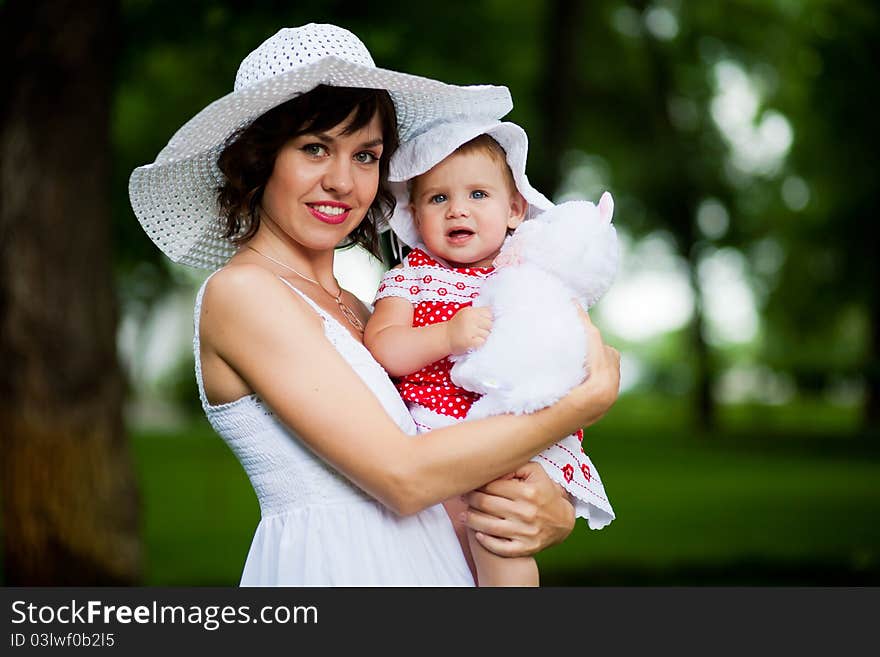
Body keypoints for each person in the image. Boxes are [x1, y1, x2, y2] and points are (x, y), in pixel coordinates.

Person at [129, 23, 620, 585]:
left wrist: (543, 511)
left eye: (366, 156)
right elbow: (403, 478)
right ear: (258, 159)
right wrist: (581, 405)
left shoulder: (366, 309)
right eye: (315, 148)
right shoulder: (243, 292)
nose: (343, 181)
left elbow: (450, 454)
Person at [364, 120, 616, 586]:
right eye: (438, 198)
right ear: (416, 216)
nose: (458, 210)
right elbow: (383, 348)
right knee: (435, 542)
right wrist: (444, 336)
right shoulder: (411, 277)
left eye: (478, 194)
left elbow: (576, 343)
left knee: (499, 532)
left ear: (515, 209)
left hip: (517, 433)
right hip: (437, 431)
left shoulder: (531, 274)